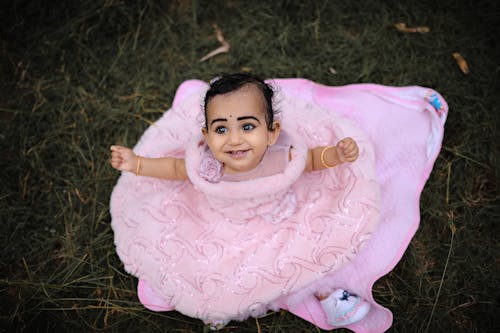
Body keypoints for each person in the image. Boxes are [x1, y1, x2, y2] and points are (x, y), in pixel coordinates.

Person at [110, 73, 373, 327]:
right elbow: (176, 169)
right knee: (214, 271)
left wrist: (335, 155)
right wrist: (138, 163)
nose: (235, 139)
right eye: (221, 129)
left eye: (247, 127)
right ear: (207, 136)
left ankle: (327, 292)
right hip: (227, 221)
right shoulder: (207, 164)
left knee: (307, 250)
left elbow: (312, 160)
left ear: (271, 133)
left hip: (280, 213)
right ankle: (219, 303)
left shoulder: (281, 155)